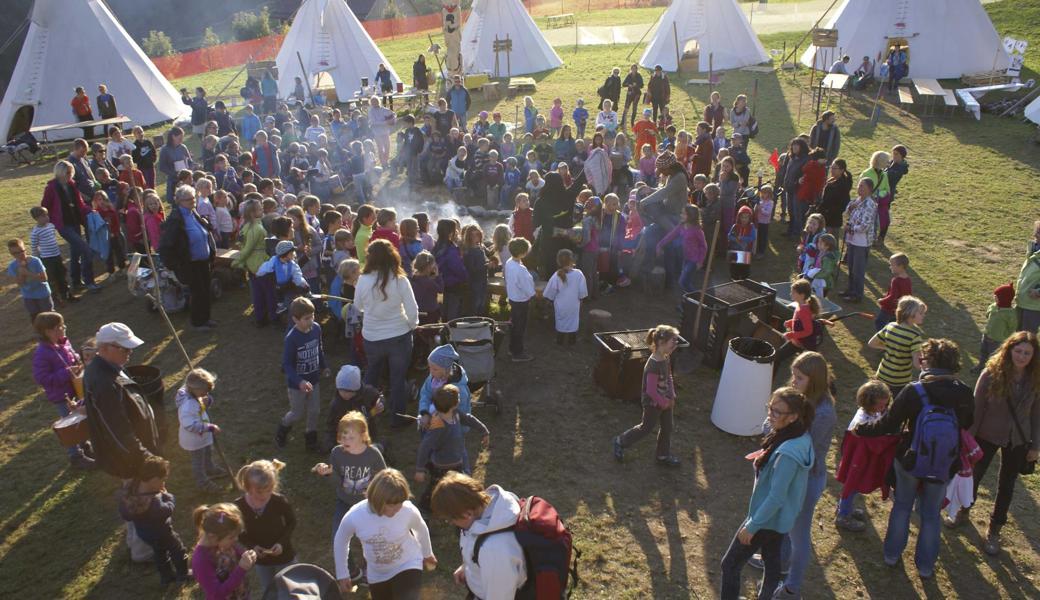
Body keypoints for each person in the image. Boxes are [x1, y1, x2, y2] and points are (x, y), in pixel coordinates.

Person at [855, 338, 974, 579]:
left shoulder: (914, 390)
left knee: (902, 507)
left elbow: (888, 424)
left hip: (910, 459)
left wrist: (861, 429)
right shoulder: (963, 392)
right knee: (931, 515)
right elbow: (967, 423)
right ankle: (926, 567)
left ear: (928, 362)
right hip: (944, 463)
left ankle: (891, 555)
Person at [720, 387, 814, 600]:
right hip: (781, 520)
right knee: (772, 565)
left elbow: (776, 497)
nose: (770, 414)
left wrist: (752, 526)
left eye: (776, 412)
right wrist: (766, 458)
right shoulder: (799, 435)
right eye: (770, 408)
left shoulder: (788, 454)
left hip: (766, 520)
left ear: (793, 417)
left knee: (730, 565)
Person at [954, 332, 1040, 555]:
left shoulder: (1036, 379)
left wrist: (1035, 446)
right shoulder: (991, 373)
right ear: (1009, 349)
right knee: (974, 476)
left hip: (1018, 440)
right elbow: (977, 407)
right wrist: (969, 440)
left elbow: (1037, 415)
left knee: (1007, 485)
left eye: (1027, 353)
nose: (1021, 356)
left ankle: (994, 530)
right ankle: (964, 511)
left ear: (1034, 355)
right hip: (986, 434)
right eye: (1018, 351)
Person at [770, 353, 837, 599]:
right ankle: (780, 562)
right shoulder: (801, 398)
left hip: (806, 479)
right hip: (790, 472)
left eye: (799, 378)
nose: (793, 381)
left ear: (815, 380)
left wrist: (778, 426)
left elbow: (803, 448)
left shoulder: (823, 413)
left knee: (799, 533)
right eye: (793, 375)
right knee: (784, 522)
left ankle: (792, 588)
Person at [333, 469, 437, 598]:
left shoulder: (407, 510)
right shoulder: (355, 516)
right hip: (377, 574)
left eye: (400, 505)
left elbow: (420, 528)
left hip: (407, 564)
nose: (397, 510)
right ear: (377, 499)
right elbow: (340, 541)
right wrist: (342, 573)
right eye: (392, 506)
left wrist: (427, 553)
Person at [430, 472, 527, 599]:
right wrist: (469, 566)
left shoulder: (494, 550)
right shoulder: (488, 507)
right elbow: (473, 540)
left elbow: (499, 597)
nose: (451, 523)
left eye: (450, 519)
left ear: (467, 514)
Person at [355, 239, 419, 427]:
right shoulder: (400, 280)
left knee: (372, 374)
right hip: (399, 336)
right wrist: (412, 325)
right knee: (397, 378)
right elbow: (412, 309)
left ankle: (363, 412)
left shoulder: (363, 280)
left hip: (372, 337)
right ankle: (397, 418)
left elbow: (358, 307)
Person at [84, 322, 158, 480]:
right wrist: (146, 458)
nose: (130, 351)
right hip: (130, 459)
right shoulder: (103, 383)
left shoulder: (113, 365)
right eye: (124, 348)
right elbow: (117, 430)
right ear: (104, 348)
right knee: (142, 496)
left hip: (137, 449)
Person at [834, 380, 899, 532]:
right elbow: (865, 442)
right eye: (880, 405)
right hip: (858, 461)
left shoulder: (874, 412)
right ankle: (843, 515)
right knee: (851, 487)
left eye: (885, 404)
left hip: (863, 460)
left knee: (853, 488)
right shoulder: (862, 421)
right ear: (869, 403)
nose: (883, 408)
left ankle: (846, 508)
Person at [32, 312, 94, 469]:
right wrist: (67, 372)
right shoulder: (42, 353)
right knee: (70, 425)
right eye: (59, 327)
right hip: (62, 395)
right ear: (48, 331)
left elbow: (72, 356)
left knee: (80, 417)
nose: (63, 328)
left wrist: (78, 362)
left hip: (75, 389)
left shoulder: (64, 343)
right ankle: (75, 456)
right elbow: (42, 378)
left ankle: (85, 445)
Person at [613, 325, 681, 466]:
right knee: (646, 428)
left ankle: (662, 455)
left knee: (667, 427)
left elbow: (669, 377)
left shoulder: (666, 357)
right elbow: (650, 391)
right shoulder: (653, 365)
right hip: (652, 403)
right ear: (661, 343)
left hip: (666, 400)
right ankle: (620, 441)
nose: (676, 343)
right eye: (673, 341)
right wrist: (662, 403)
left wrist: (672, 395)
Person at [415, 384, 489, 512]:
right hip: (441, 467)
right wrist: (420, 469)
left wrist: (483, 430)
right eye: (458, 397)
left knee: (460, 488)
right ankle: (424, 510)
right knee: (435, 489)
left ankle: (462, 508)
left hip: (457, 463)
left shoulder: (455, 414)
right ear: (454, 404)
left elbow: (468, 419)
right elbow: (425, 447)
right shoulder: (438, 425)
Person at [118, 455, 190, 585]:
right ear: (154, 480)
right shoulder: (154, 503)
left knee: (159, 553)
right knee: (178, 550)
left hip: (144, 534)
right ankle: (183, 575)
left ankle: (166, 577)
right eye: (163, 480)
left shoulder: (131, 489)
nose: (163, 483)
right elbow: (168, 510)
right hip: (162, 532)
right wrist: (168, 496)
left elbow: (125, 515)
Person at [233, 459, 297, 591]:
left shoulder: (278, 501)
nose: (264, 495)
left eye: (268, 490)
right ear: (247, 487)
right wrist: (253, 546)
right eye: (259, 492)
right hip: (262, 560)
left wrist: (281, 543)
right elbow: (238, 532)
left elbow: (291, 522)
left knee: (290, 587)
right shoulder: (239, 506)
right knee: (269, 589)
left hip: (284, 555)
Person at [159, 184, 217, 330]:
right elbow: (166, 246)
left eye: (193, 198)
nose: (193, 201)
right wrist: (176, 265)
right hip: (190, 263)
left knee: (205, 290)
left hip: (203, 261)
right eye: (188, 199)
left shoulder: (193, 213)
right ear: (179, 201)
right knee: (198, 293)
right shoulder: (175, 220)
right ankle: (197, 322)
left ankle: (206, 318)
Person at [276, 297, 328, 451]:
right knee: (297, 413)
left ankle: (310, 440)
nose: (311, 321)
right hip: (297, 385)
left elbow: (319, 349)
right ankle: (282, 429)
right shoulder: (292, 338)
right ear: (295, 320)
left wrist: (324, 366)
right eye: (306, 319)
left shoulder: (317, 329)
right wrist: (299, 382)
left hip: (314, 380)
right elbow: (286, 365)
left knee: (315, 411)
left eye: (312, 316)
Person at [41, 160, 97, 292]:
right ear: (60, 173)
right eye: (67, 172)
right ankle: (89, 281)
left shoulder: (71, 185)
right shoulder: (51, 188)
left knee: (75, 252)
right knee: (86, 250)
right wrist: (51, 221)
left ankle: (76, 282)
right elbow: (45, 206)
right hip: (64, 225)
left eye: (71, 172)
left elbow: (80, 203)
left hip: (75, 221)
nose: (70, 175)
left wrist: (91, 210)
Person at [192, 503, 257, 599]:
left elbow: (236, 552)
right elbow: (216, 594)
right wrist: (241, 569)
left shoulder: (222, 542)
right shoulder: (201, 560)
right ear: (212, 536)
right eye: (231, 537)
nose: (236, 539)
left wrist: (247, 555)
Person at [869, 295, 926, 398]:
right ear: (910, 313)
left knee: (879, 405)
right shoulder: (915, 336)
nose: (923, 315)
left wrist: (889, 347)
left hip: (882, 374)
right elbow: (917, 364)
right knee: (898, 407)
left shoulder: (890, 326)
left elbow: (872, 343)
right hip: (900, 381)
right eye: (921, 313)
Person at [841, 179, 878, 303]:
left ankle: (857, 294)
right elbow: (846, 213)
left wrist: (850, 228)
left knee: (858, 269)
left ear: (869, 189)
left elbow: (864, 226)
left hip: (862, 243)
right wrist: (850, 208)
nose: (859, 188)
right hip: (852, 240)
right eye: (859, 185)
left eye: (862, 186)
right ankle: (850, 290)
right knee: (851, 267)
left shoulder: (870, 205)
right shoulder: (857, 200)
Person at [543, 249, 588, 345]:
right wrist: (581, 301)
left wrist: (549, 301)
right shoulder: (579, 274)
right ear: (572, 260)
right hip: (574, 304)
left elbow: (550, 293)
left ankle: (560, 340)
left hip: (561, 305)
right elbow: (582, 292)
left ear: (558, 261)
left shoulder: (556, 275)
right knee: (573, 321)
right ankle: (572, 341)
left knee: (560, 320)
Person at [973, 283, 1018, 373]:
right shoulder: (993, 306)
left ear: (1004, 299)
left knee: (994, 356)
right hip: (986, 335)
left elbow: (1012, 327)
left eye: (997, 296)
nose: (994, 297)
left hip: (997, 340)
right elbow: (987, 314)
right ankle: (981, 365)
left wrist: (1005, 336)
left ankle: (990, 371)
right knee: (983, 352)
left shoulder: (1010, 314)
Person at [504, 238, 535, 362]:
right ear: (522, 253)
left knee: (514, 325)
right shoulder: (520, 269)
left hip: (512, 298)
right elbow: (527, 287)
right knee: (520, 327)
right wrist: (532, 294)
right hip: (521, 301)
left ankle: (512, 348)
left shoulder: (509, 262)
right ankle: (518, 353)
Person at [7, 238, 53, 322]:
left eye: (21, 251)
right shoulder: (12, 266)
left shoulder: (35, 261)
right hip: (28, 296)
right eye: (15, 253)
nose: (20, 255)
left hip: (43, 294)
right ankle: (41, 334)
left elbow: (44, 279)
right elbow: (20, 284)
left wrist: (28, 273)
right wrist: (21, 272)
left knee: (49, 316)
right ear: (11, 254)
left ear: (25, 249)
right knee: (35, 318)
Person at [874, 252, 913, 331]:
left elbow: (892, 297)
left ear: (901, 266)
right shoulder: (908, 280)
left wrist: (882, 301)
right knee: (893, 327)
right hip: (898, 309)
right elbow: (909, 295)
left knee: (879, 323)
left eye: (892, 265)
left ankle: (881, 340)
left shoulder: (896, 280)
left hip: (888, 309)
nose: (890, 267)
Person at [860, 151, 892, 245]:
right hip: (868, 202)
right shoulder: (867, 173)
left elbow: (887, 190)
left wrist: (879, 194)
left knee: (885, 220)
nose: (888, 163)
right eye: (886, 161)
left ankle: (879, 239)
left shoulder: (884, 174)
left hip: (880, 203)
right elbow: (861, 189)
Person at [817, 160, 852, 238]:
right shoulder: (832, 180)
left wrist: (828, 212)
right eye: (831, 167)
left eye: (834, 168)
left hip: (832, 221)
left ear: (842, 170)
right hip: (825, 217)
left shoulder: (843, 185)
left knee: (830, 244)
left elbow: (843, 205)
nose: (831, 170)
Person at [158, 127, 193, 202]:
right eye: (180, 138)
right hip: (173, 179)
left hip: (185, 178)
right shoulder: (165, 149)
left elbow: (190, 161)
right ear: (173, 137)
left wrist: (190, 170)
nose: (181, 140)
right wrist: (174, 174)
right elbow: (162, 167)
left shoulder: (183, 147)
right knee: (174, 200)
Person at [621, 64, 645, 128]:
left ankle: (632, 123)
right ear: (631, 69)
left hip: (636, 94)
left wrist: (636, 85)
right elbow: (623, 84)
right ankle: (622, 122)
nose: (634, 70)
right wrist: (629, 85)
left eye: (635, 68)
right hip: (629, 94)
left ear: (637, 69)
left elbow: (642, 85)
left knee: (634, 109)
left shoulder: (639, 76)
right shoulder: (629, 75)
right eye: (633, 68)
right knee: (626, 108)